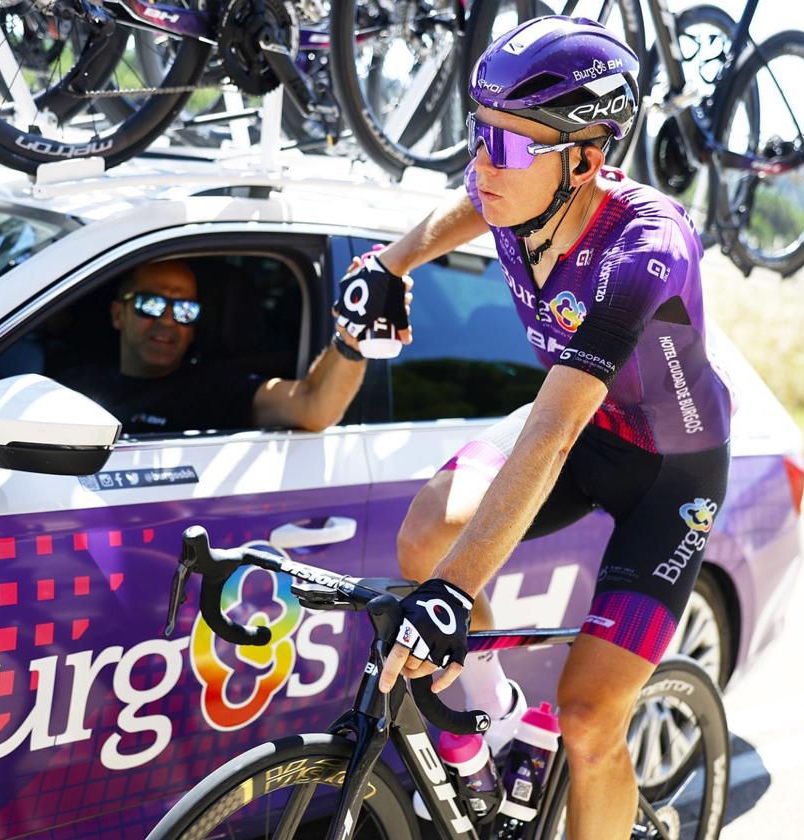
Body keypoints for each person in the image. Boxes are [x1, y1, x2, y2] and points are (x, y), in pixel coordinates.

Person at [361, 17, 733, 839]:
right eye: (479, 131)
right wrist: (391, 265)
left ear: (587, 161)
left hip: (668, 472)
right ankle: (495, 718)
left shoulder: (646, 249)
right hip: (583, 428)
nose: (485, 161)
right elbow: (465, 211)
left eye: (514, 145)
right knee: (430, 533)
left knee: (590, 718)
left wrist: (454, 598)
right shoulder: (516, 188)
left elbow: (555, 432)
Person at [60, 258, 396, 434]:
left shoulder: (216, 390)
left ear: (195, 327)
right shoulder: (72, 386)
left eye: (184, 310)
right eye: (151, 304)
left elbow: (314, 407)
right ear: (119, 314)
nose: (167, 320)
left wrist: (352, 338)